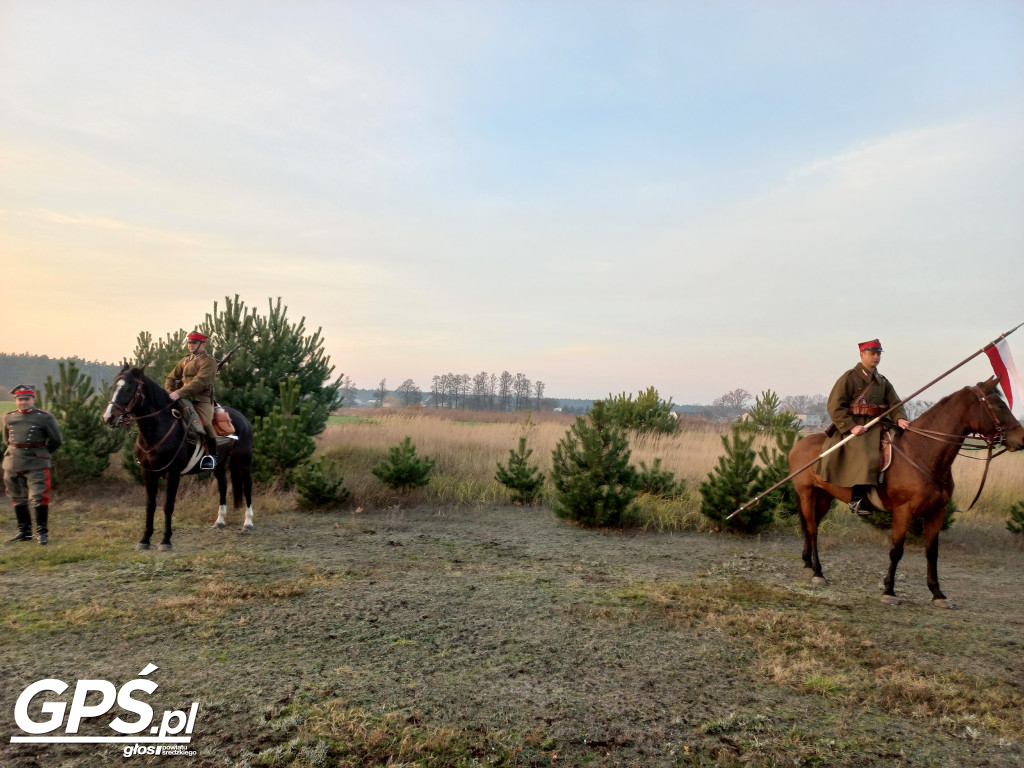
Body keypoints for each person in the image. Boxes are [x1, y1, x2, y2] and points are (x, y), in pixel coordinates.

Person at [817, 339, 910, 515]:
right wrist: (850, 427)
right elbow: (834, 406)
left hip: (878, 423)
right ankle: (856, 499)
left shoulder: (882, 381)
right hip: (856, 425)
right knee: (866, 452)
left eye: (878, 354)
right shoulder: (849, 377)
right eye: (872, 353)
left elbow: (895, 403)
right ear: (862, 354)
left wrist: (899, 418)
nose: (876, 357)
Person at [3, 385, 63, 545]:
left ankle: (42, 533)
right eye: (20, 399)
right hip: (13, 462)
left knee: (39, 496)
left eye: (26, 399)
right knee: (17, 497)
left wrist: (42, 453)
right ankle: (24, 532)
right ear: (15, 400)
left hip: (36, 462)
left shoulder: (45, 417)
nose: (23, 402)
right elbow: (6, 439)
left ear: (33, 399)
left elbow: (57, 440)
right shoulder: (9, 417)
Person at [165, 331, 218, 471]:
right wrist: (171, 393)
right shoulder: (184, 361)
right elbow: (170, 378)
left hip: (201, 401)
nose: (191, 345)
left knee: (206, 424)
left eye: (194, 343)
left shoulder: (208, 361)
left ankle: (211, 456)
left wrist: (179, 393)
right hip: (181, 399)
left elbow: (200, 382)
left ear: (203, 344)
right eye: (189, 343)